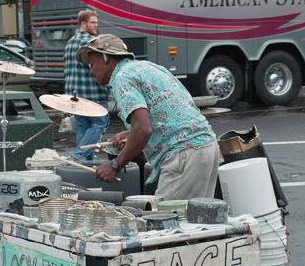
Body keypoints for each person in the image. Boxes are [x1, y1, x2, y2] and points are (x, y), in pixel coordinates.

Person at [78, 34, 220, 200]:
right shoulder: (148, 67)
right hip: (206, 147)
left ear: (105, 57)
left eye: (92, 63)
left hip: (184, 155)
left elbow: (143, 129)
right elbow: (166, 118)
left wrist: (115, 165)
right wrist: (130, 134)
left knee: (169, 221)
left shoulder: (122, 78)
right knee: (197, 220)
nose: (90, 71)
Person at [63, 9, 110, 161]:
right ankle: (79, 155)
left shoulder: (70, 43)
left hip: (75, 94)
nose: (96, 26)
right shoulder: (91, 43)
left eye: (97, 22)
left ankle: (86, 162)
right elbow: (97, 71)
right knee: (100, 122)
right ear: (83, 24)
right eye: (93, 22)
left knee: (83, 126)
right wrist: (108, 90)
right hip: (92, 93)